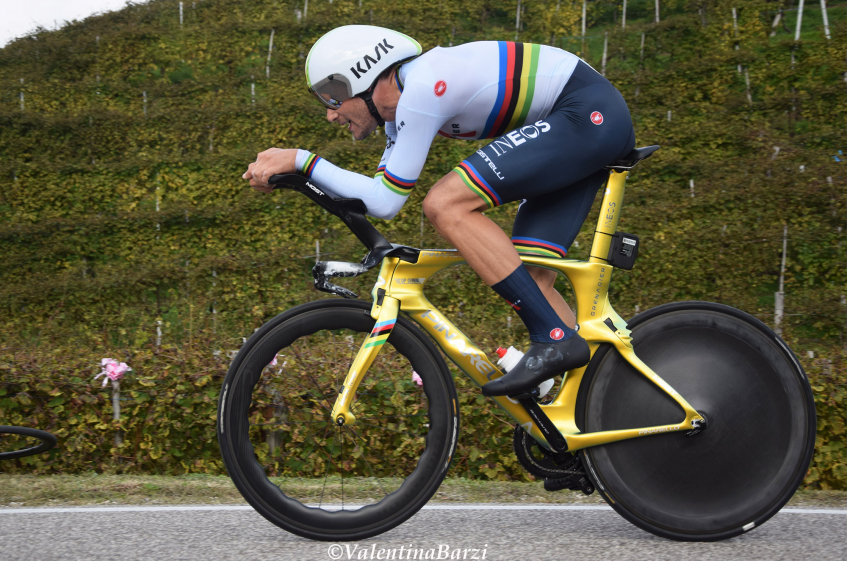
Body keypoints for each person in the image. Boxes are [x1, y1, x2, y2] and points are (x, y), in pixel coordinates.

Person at [243, 25, 636, 397]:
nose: (330, 114)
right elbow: (379, 199)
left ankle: (553, 339)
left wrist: (301, 159)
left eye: (332, 98)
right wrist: (299, 175)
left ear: (364, 78)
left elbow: (386, 201)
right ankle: (594, 408)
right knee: (531, 275)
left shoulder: (423, 89)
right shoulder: (401, 111)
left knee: (446, 204)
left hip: (586, 115)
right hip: (579, 122)